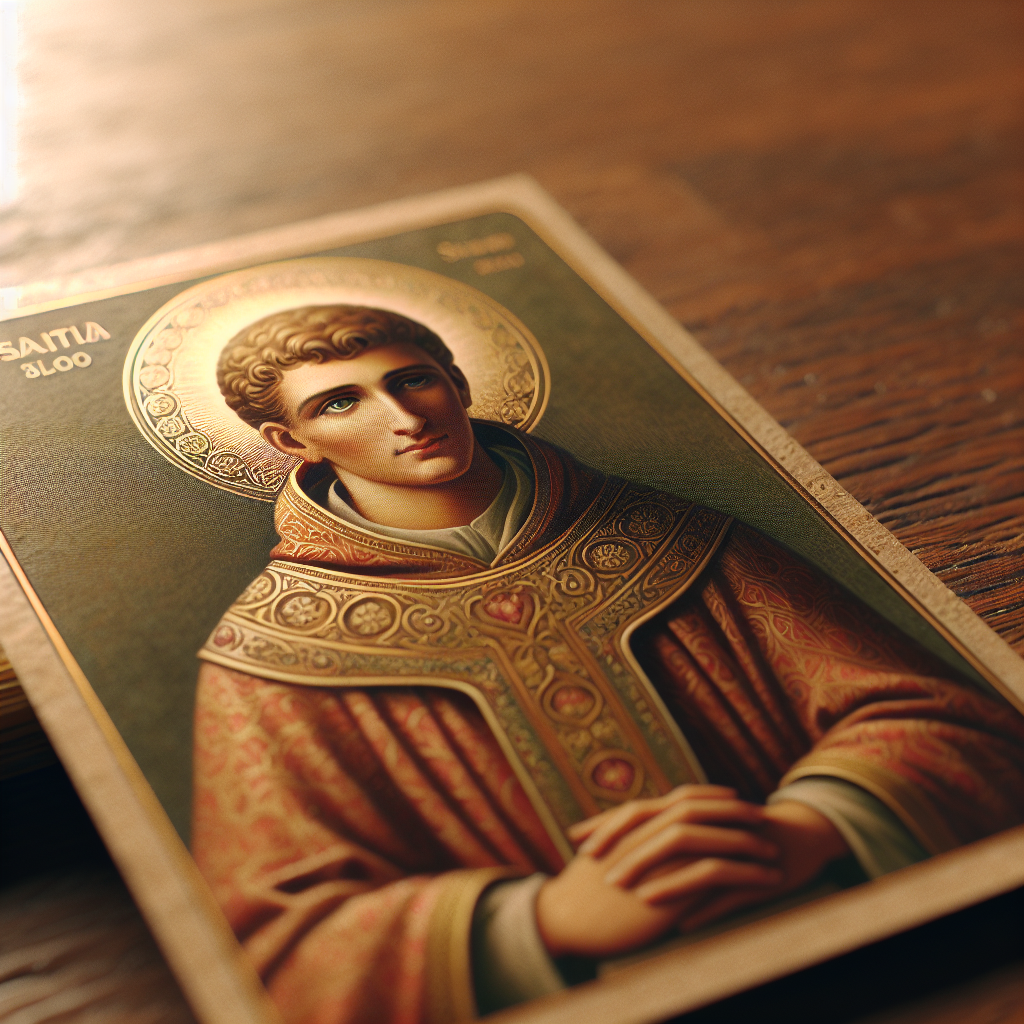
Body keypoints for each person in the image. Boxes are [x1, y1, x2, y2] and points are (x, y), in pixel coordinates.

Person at [192, 305, 1024, 1024]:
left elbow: (947, 718)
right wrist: (544, 921)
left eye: (411, 379)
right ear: (288, 440)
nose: (402, 416)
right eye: (341, 402)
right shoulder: (272, 650)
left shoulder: (667, 534)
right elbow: (283, 948)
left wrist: (806, 829)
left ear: (457, 381)